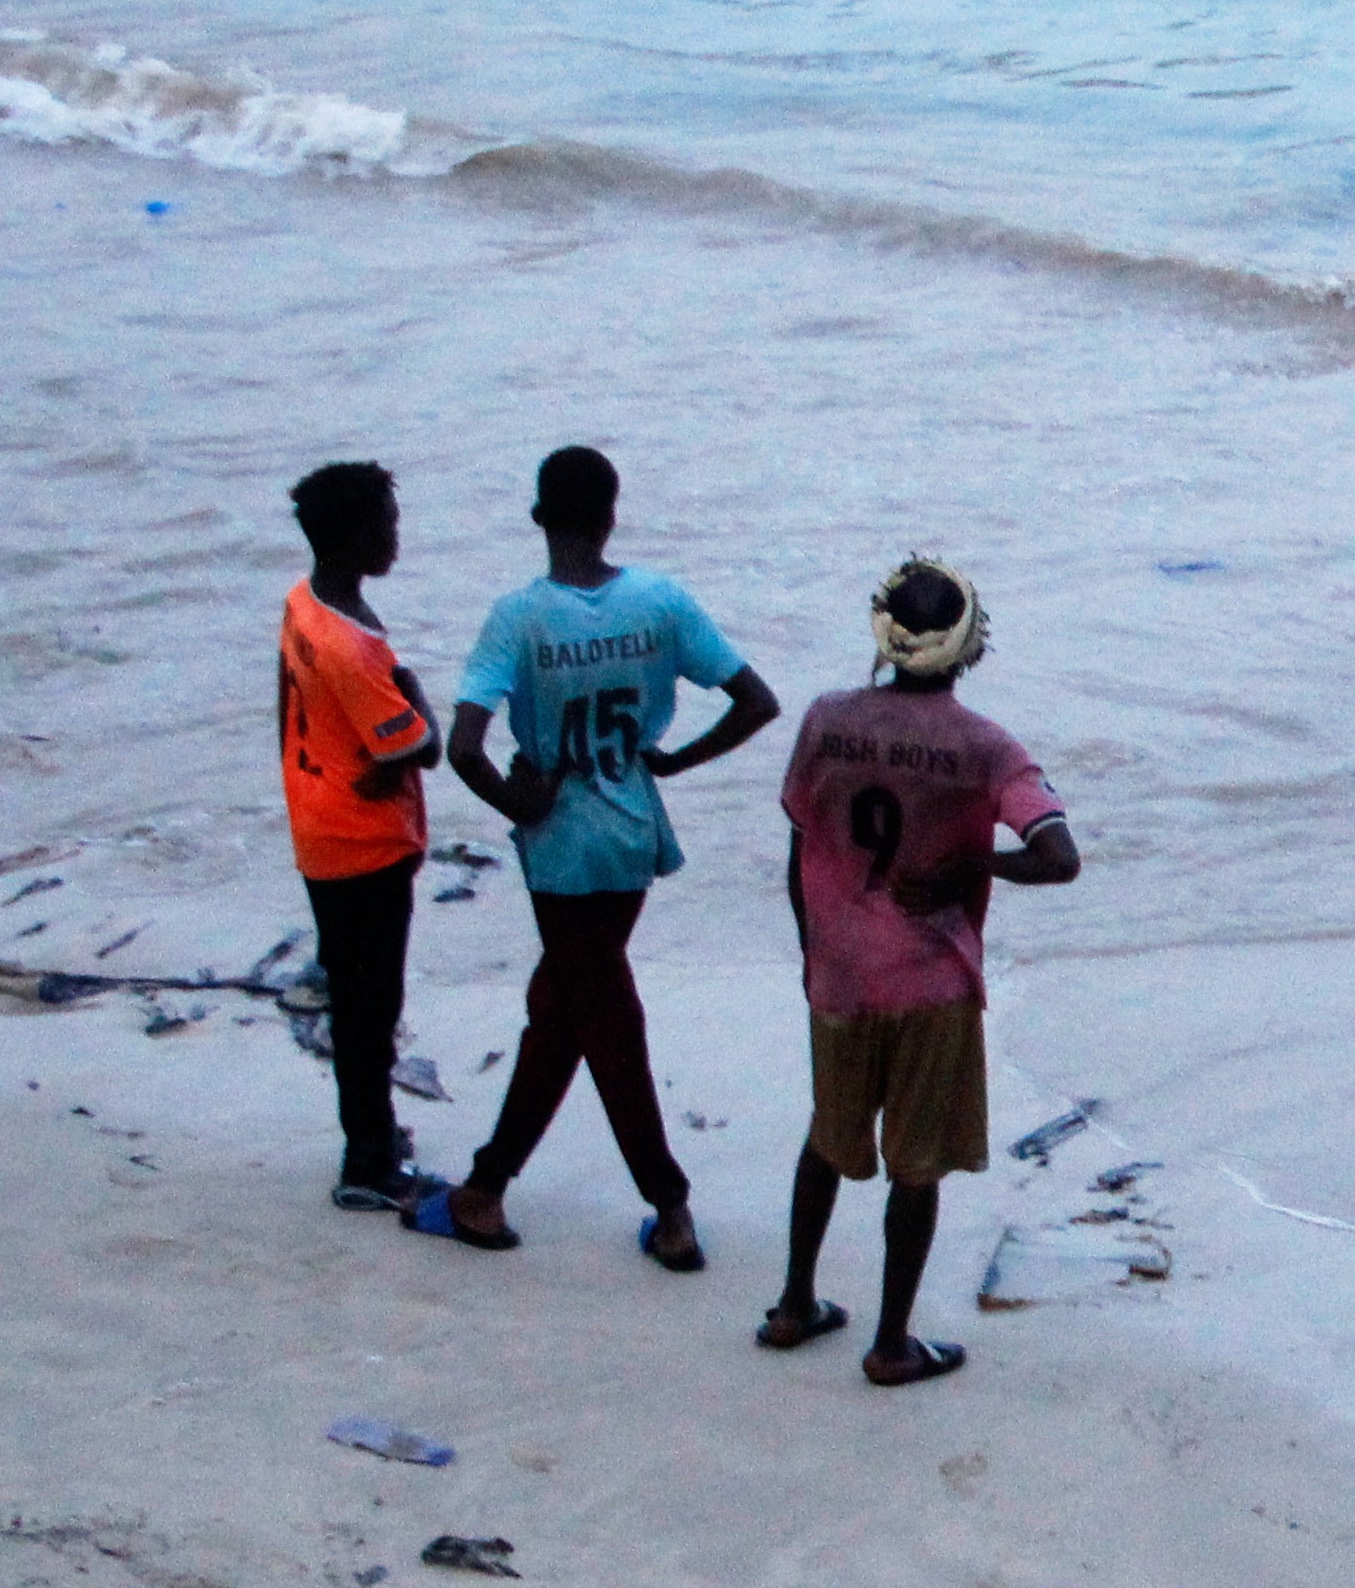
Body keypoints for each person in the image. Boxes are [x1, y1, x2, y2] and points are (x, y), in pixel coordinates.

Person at [415, 446, 779, 1261]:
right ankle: (486, 1186)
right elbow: (756, 702)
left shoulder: (518, 617)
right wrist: (674, 762)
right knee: (565, 1007)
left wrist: (518, 802)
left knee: (602, 1018)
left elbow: (464, 748)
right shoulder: (660, 599)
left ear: (538, 517)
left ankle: (665, 1206)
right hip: (632, 832)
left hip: (562, 848)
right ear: (612, 516)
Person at [759, 560, 1078, 1387]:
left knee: (826, 1137)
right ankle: (891, 1342)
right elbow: (1058, 858)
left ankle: (794, 1304)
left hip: (838, 971)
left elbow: (800, 842)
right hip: (930, 983)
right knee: (917, 1164)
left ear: (884, 636)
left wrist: (812, 950)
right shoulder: (986, 748)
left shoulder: (827, 720)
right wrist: (976, 864)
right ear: (969, 648)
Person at [277, 461, 445, 1215]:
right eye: (386, 524)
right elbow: (419, 747)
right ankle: (368, 1161)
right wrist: (417, 699)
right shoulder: (352, 647)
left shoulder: (304, 604)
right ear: (353, 537)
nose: (395, 536)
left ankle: (371, 1132)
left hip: (319, 822)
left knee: (356, 996)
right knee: (371, 1006)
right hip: (363, 845)